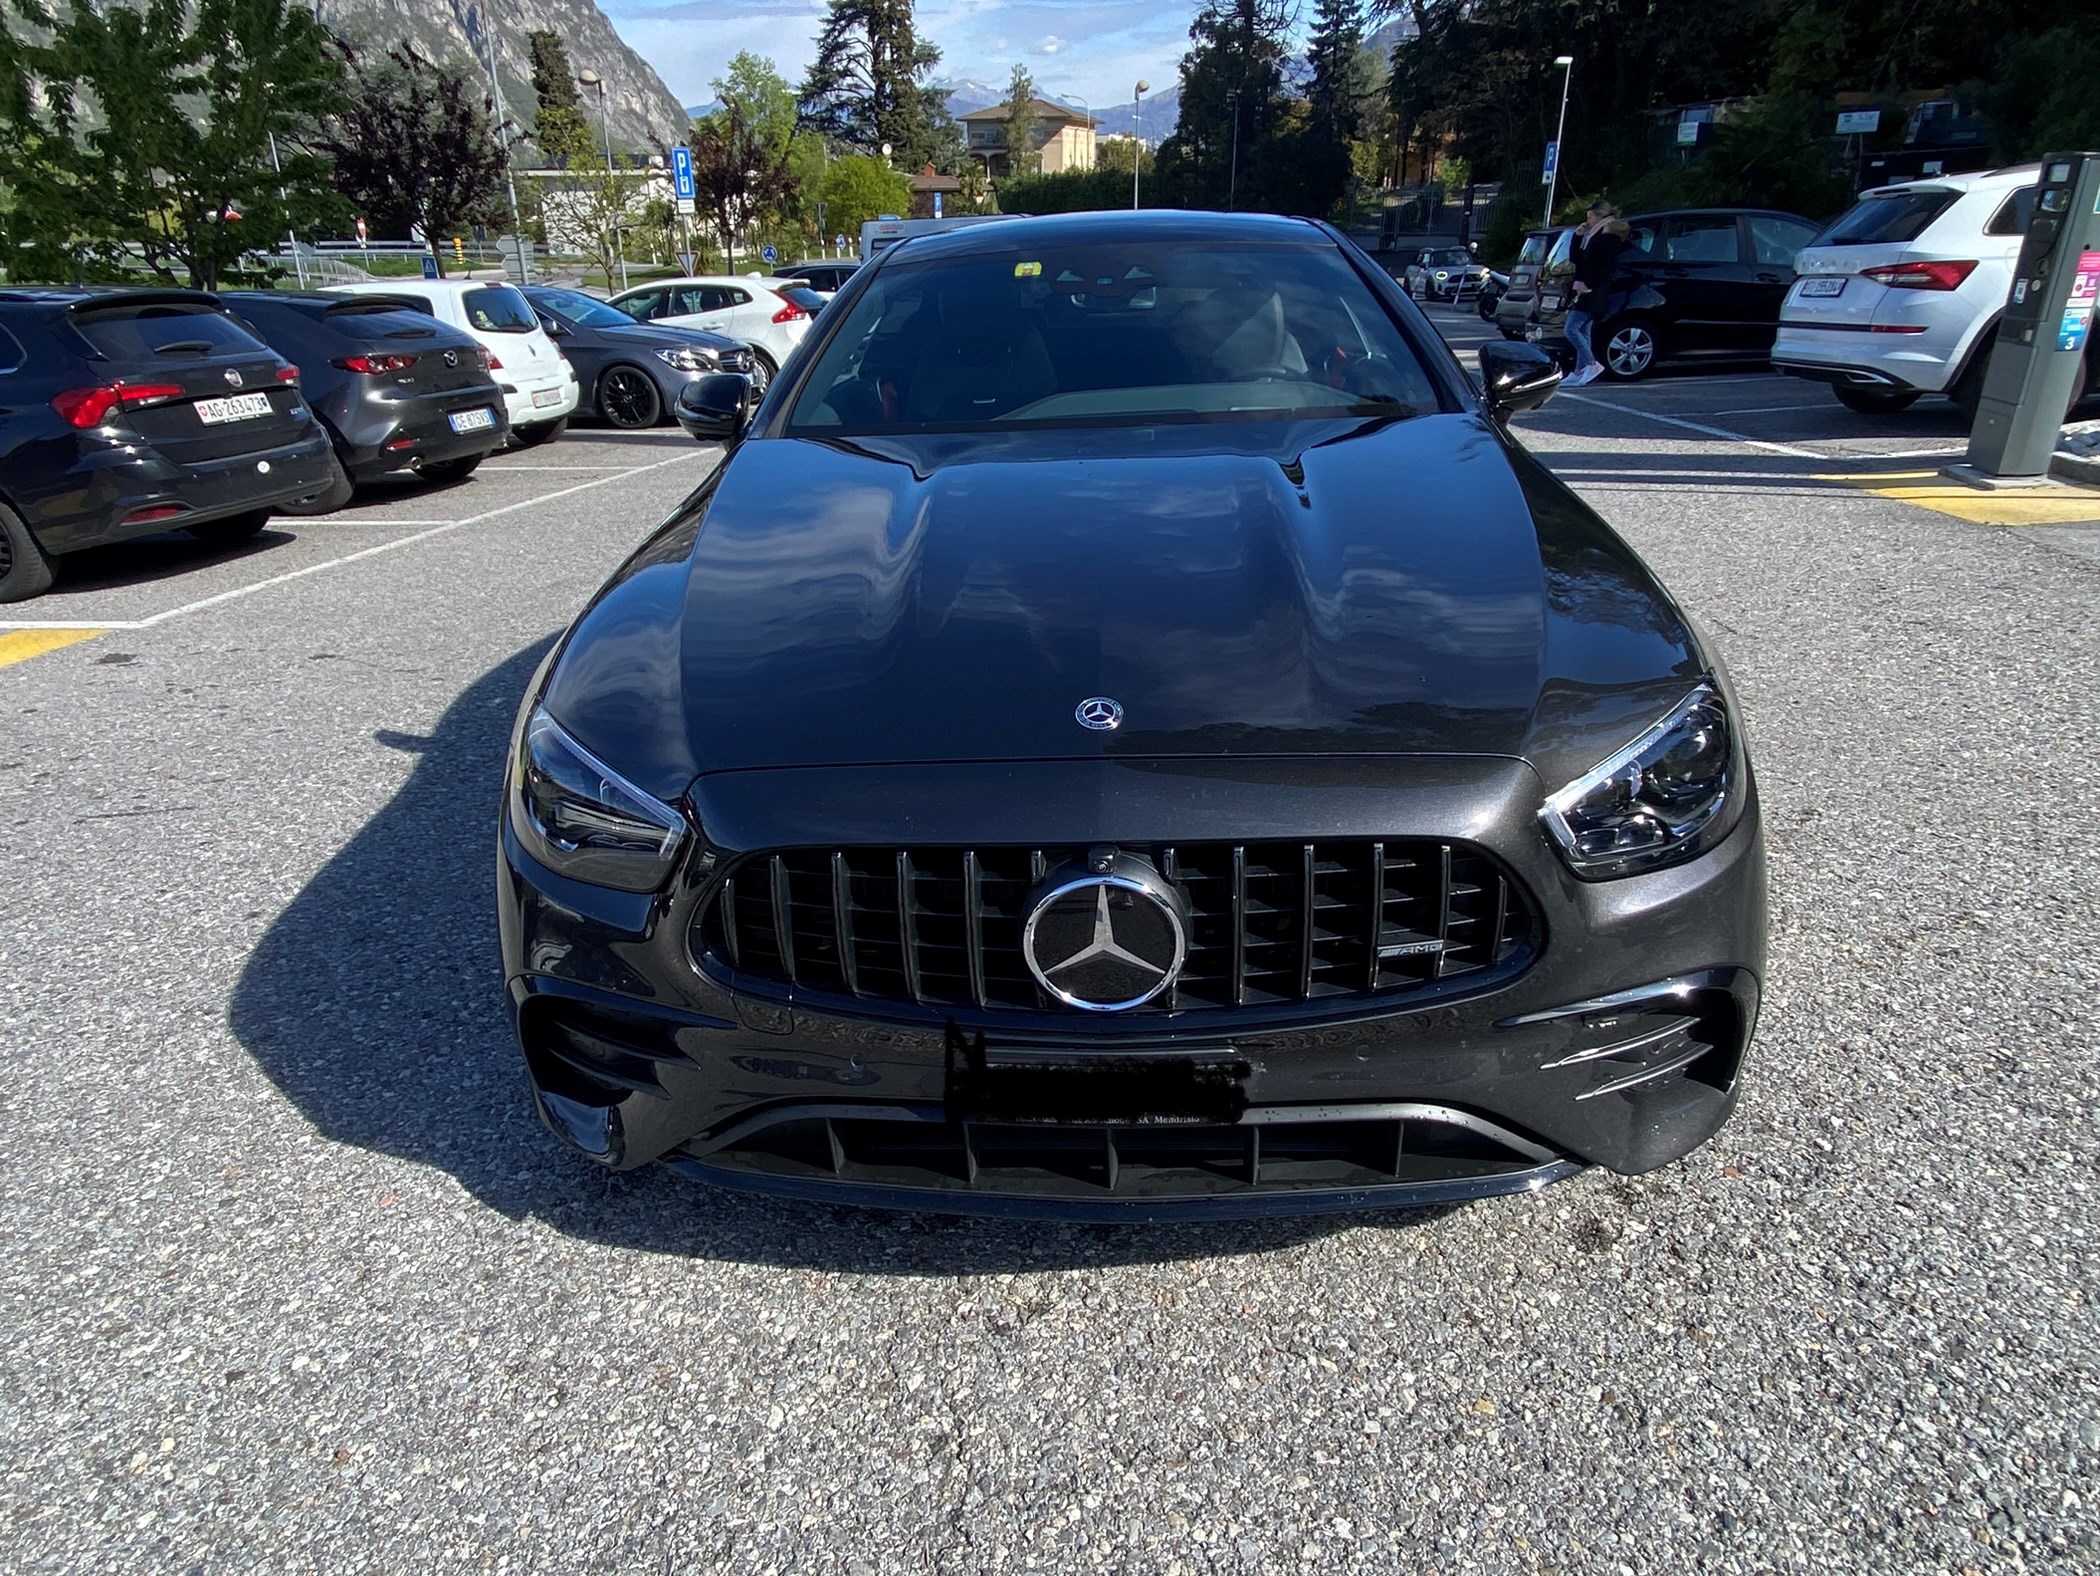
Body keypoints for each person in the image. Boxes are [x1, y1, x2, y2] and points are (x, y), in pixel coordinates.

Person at [1562, 200, 1630, 388]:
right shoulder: (1592, 234)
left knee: (1571, 328)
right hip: (1585, 286)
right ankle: (1578, 371)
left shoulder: (1609, 235)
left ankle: (1592, 364)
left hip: (1593, 288)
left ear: (1600, 216)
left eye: (1590, 217)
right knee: (1584, 330)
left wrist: (1589, 284)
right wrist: (1577, 237)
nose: (1588, 221)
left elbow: (1603, 266)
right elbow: (1577, 259)